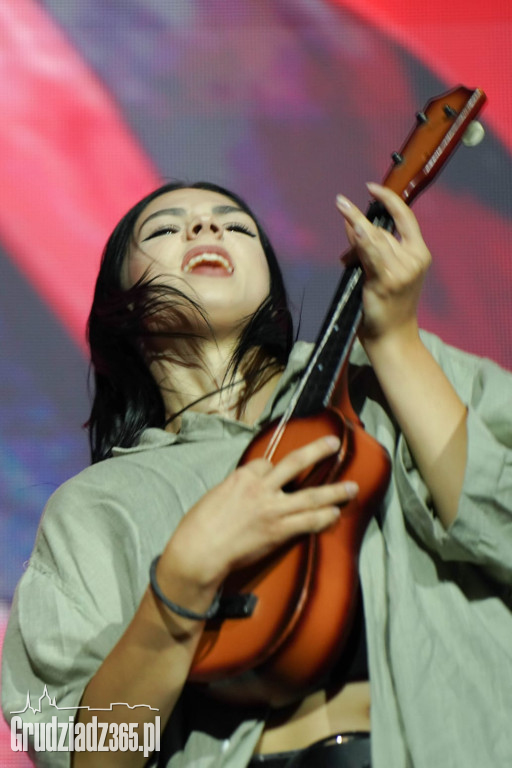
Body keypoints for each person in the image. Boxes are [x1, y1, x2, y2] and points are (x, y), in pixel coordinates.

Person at [2, 180, 512, 768]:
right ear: (123, 304)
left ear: (271, 292)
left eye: (236, 225)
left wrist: (397, 343)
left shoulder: (390, 381)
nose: (206, 228)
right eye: (166, 228)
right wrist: (179, 587)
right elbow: (87, 755)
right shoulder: (94, 506)